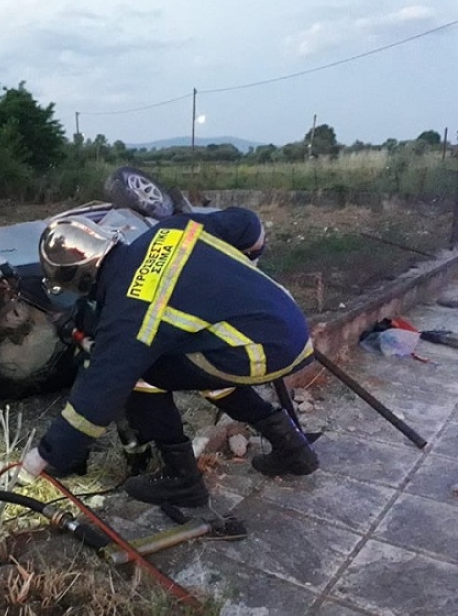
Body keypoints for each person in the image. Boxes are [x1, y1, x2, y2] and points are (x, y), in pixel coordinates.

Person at [22, 206, 318, 508]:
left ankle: (182, 479)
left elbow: (99, 395)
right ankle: (292, 447)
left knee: (142, 374)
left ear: (79, 279)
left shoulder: (128, 311)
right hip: (291, 324)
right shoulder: (169, 230)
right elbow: (248, 224)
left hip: (259, 352)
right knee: (197, 363)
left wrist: (43, 456)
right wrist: (248, 267)